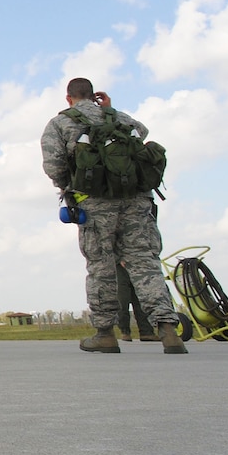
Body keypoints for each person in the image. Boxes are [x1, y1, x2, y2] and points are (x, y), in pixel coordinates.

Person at [42, 78, 187, 355]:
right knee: (145, 262)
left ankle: (105, 333)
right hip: (137, 200)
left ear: (68, 98)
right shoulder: (119, 117)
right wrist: (110, 109)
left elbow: (53, 165)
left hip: (94, 203)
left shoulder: (59, 124)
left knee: (100, 267)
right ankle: (168, 329)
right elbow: (141, 132)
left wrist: (69, 188)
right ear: (94, 95)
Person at [116, 260, 158, 342]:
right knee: (122, 300)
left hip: (138, 263)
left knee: (141, 298)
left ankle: (146, 332)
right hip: (119, 266)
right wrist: (119, 258)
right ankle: (125, 331)